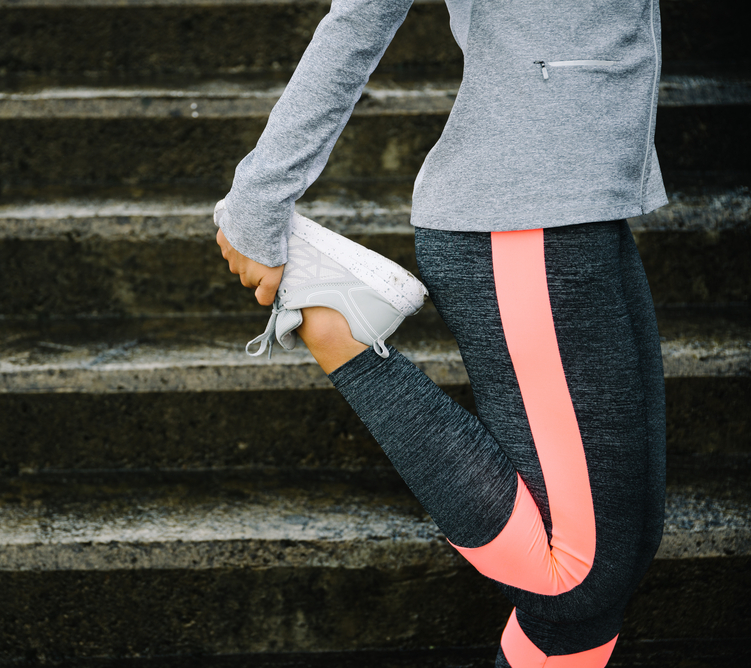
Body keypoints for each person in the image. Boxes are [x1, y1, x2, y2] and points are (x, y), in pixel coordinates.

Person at [214, 1, 668, 666]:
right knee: (576, 575)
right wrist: (258, 201)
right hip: (520, 214)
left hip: (592, 206)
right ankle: (332, 325)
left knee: (626, 550)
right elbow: (362, 14)